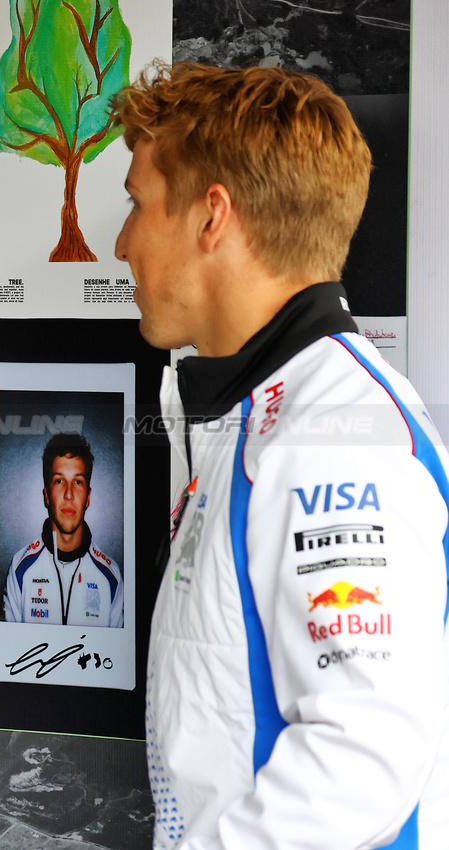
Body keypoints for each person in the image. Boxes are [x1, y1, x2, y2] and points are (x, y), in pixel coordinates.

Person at [113, 63, 449, 849]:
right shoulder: (264, 415)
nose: (121, 243)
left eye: (135, 204)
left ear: (211, 216)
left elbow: (359, 764)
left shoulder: (335, 438)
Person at [2, 431, 124, 627]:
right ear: (47, 495)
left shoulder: (111, 577)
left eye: (78, 482)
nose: (69, 494)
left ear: (88, 497)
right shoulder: (20, 569)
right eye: (59, 481)